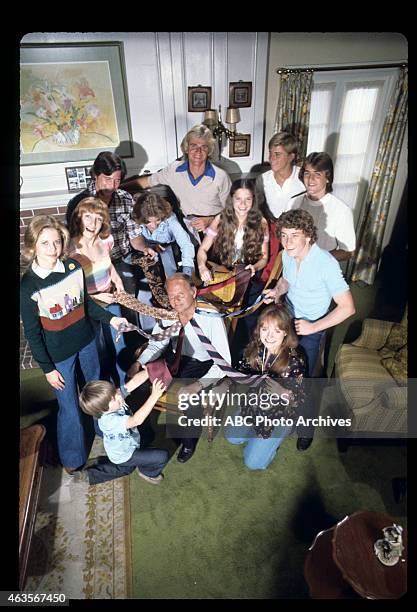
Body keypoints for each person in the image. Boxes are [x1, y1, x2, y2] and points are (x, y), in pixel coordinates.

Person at [20, 215, 128, 472]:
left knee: (95, 389)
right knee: (68, 406)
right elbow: (33, 334)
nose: (52, 249)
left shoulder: (73, 267)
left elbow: (86, 303)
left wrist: (111, 320)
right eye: (45, 243)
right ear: (33, 246)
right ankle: (73, 458)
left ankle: (105, 430)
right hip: (59, 355)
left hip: (86, 340)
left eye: (56, 242)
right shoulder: (27, 288)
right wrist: (47, 368)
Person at [263, 209, 355, 451]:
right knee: (281, 368)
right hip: (289, 319)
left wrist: (314, 326)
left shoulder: (326, 263)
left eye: (295, 235)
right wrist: (278, 291)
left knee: (306, 381)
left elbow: (348, 308)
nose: (288, 241)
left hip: (312, 327)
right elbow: (286, 280)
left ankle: (305, 429)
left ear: (308, 236)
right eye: (284, 235)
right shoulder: (286, 254)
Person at [130, 273, 231, 463]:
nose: (175, 301)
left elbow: (223, 363)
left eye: (180, 295)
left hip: (200, 363)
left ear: (193, 292)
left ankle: (189, 442)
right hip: (173, 359)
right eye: (171, 296)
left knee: (189, 397)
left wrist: (198, 386)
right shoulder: (169, 314)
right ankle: (145, 433)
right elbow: (157, 343)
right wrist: (139, 362)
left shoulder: (211, 317)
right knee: (138, 385)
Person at [225, 305, 307, 470]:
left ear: (285, 332)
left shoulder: (295, 361)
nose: (269, 336)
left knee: (253, 463)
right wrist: (226, 382)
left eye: (276, 331)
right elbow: (240, 373)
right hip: (254, 404)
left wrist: (283, 393)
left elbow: (301, 399)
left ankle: (274, 442)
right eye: (265, 329)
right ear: (259, 330)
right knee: (232, 437)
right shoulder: (255, 349)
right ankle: (257, 436)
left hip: (279, 416)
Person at [129, 125, 232, 244]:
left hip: (217, 229)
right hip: (189, 228)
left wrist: (210, 220)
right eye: (194, 146)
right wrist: (116, 187)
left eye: (204, 147)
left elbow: (232, 212)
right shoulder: (174, 170)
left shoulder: (220, 176)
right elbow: (147, 182)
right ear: (187, 148)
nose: (198, 151)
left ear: (209, 150)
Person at [65, 151, 145, 303]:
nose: (112, 186)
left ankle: (129, 325)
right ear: (95, 174)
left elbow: (134, 234)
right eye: (107, 179)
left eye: (117, 180)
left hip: (121, 257)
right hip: (91, 262)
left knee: (128, 291)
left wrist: (145, 248)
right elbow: (72, 246)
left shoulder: (125, 198)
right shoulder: (79, 203)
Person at [68, 197, 127, 386]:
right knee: (99, 350)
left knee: (120, 346)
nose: (93, 224)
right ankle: (102, 394)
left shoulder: (105, 240)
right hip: (88, 306)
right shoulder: (71, 249)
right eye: (88, 217)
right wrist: (96, 296)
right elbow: (70, 291)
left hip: (110, 300)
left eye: (99, 219)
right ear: (79, 218)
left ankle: (124, 389)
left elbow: (108, 266)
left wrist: (118, 282)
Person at [75, 369, 169, 486]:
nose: (119, 395)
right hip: (124, 454)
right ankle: (147, 473)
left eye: (114, 391)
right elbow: (136, 420)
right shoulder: (109, 421)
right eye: (114, 398)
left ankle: (98, 465)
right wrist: (154, 396)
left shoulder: (114, 397)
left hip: (127, 444)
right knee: (160, 457)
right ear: (103, 410)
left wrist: (149, 370)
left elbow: (134, 382)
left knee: (126, 467)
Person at [131, 192, 196, 332]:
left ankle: (179, 324)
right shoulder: (134, 219)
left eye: (158, 220)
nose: (153, 226)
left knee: (173, 288)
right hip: (145, 253)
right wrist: (148, 248)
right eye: (148, 222)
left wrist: (187, 275)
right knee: (144, 293)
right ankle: (149, 332)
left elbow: (186, 244)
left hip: (167, 251)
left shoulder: (170, 219)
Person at [255, 132, 306, 284]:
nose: (272, 158)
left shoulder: (303, 178)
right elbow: (258, 210)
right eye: (270, 154)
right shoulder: (262, 179)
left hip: (298, 233)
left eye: (277, 154)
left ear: (291, 156)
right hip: (271, 233)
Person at [197, 178, 269, 283]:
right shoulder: (220, 219)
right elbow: (202, 250)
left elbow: (264, 257)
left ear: (253, 200)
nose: (243, 204)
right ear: (232, 199)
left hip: (247, 275)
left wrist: (254, 267)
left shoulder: (261, 222)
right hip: (222, 272)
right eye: (238, 199)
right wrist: (202, 267)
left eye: (248, 199)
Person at [288, 152, 356, 262]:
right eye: (307, 173)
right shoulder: (293, 202)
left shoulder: (342, 211)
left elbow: (348, 252)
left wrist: (317, 258)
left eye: (317, 174)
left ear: (328, 178)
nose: (310, 179)